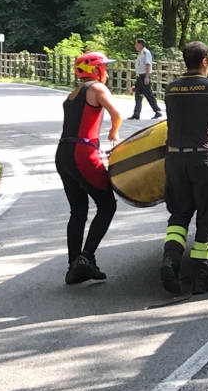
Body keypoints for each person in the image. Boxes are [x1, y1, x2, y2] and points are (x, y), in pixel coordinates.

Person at [160, 41, 208, 295]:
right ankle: (200, 276)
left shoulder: (171, 88)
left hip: (175, 159)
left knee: (179, 215)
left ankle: (171, 260)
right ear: (206, 60)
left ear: (184, 60)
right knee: (207, 218)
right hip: (203, 158)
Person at [56, 52, 121, 284]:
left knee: (78, 210)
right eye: (104, 67)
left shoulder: (72, 95)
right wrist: (114, 133)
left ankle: (75, 266)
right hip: (82, 154)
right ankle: (87, 257)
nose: (107, 71)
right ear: (94, 70)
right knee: (107, 205)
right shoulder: (97, 89)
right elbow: (117, 114)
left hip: (63, 154)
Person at [128, 38, 162, 120]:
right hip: (140, 76)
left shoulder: (146, 53)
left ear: (140, 44)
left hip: (145, 76)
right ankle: (136, 114)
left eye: (136, 44)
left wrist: (146, 77)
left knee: (148, 94)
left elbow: (148, 65)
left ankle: (157, 111)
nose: (135, 46)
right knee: (138, 95)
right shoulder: (140, 53)